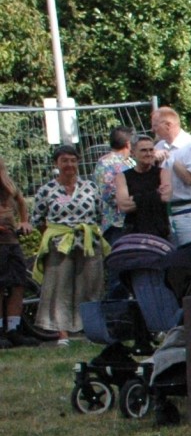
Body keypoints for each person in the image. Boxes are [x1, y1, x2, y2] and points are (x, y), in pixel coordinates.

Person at [29, 145, 112, 345]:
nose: (69, 165)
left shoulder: (90, 187)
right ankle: (62, 334)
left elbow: (101, 214)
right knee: (59, 288)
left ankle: (89, 330)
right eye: (64, 161)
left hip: (88, 243)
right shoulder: (47, 190)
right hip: (59, 244)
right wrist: (54, 235)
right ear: (56, 164)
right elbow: (37, 219)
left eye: (73, 160)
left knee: (91, 286)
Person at [151, 106, 191, 245]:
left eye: (155, 126)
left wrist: (170, 158)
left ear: (168, 125)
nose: (153, 130)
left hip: (190, 213)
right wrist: (153, 161)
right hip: (166, 212)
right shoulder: (159, 146)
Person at [0, 157, 33, 345]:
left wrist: (24, 221)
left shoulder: (8, 185)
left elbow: (21, 202)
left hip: (11, 241)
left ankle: (14, 329)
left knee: (18, 284)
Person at [114, 135, 172, 239]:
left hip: (160, 230)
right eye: (144, 150)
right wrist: (156, 194)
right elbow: (124, 206)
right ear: (133, 153)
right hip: (134, 232)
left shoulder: (163, 173)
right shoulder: (122, 177)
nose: (149, 154)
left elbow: (166, 197)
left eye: (151, 150)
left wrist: (134, 198)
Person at [94, 127, 136, 230]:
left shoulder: (130, 161)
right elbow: (109, 195)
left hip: (134, 221)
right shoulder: (106, 163)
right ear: (128, 143)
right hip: (116, 224)